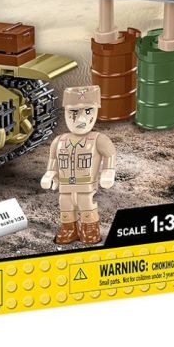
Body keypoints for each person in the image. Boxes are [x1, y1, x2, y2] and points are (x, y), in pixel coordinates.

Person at [41, 85, 116, 246]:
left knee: (87, 204)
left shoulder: (98, 139)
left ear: (95, 111)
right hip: (65, 186)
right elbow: (53, 161)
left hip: (86, 185)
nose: (81, 119)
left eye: (88, 111)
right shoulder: (59, 141)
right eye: (74, 112)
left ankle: (90, 229)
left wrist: (108, 172)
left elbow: (109, 154)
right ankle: (69, 228)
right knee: (65, 205)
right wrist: (50, 174)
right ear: (66, 112)